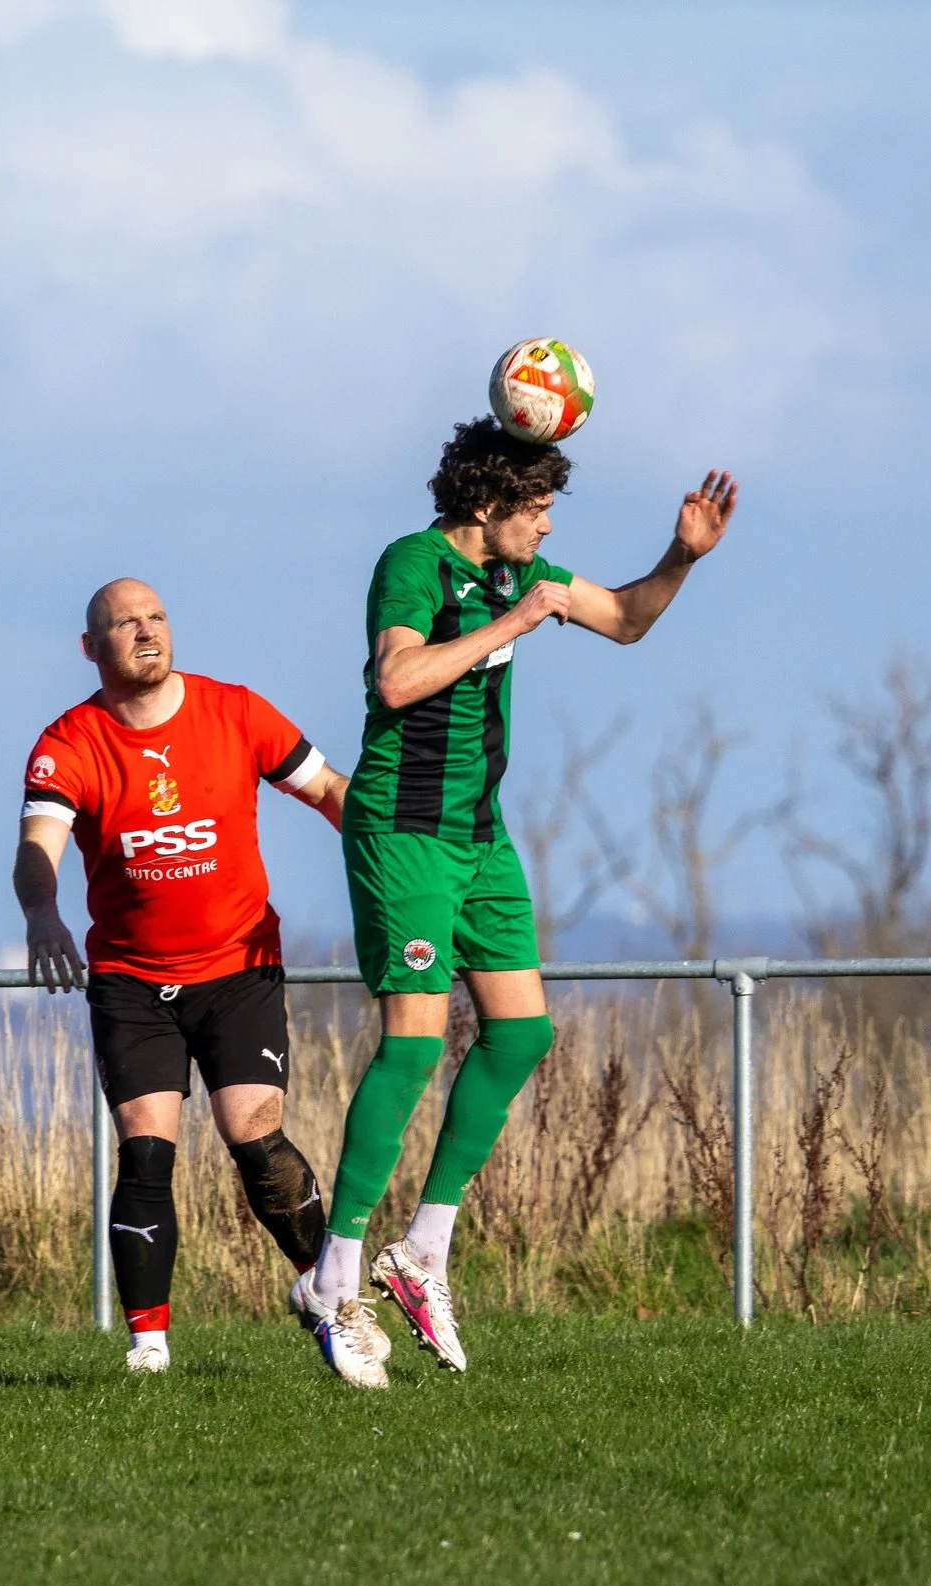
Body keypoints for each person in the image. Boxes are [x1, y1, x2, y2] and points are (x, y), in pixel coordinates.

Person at [310, 418, 738, 1387]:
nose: (545, 529)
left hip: (478, 835)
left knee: (519, 1033)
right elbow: (398, 675)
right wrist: (515, 621)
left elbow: (625, 618)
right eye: (535, 510)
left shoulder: (519, 574)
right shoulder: (412, 562)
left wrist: (681, 555)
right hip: (405, 828)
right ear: (487, 504)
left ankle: (420, 1251)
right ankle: (334, 1277)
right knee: (414, 1042)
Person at [14, 577, 355, 1376]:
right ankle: (148, 1348)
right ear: (90, 647)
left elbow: (332, 793)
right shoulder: (69, 741)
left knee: (253, 1135)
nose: (146, 632)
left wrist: (393, 853)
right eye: (125, 623)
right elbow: (38, 847)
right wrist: (41, 912)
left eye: (157, 617)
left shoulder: (237, 711)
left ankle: (325, 1293)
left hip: (240, 966)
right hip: (132, 980)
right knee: (146, 1149)